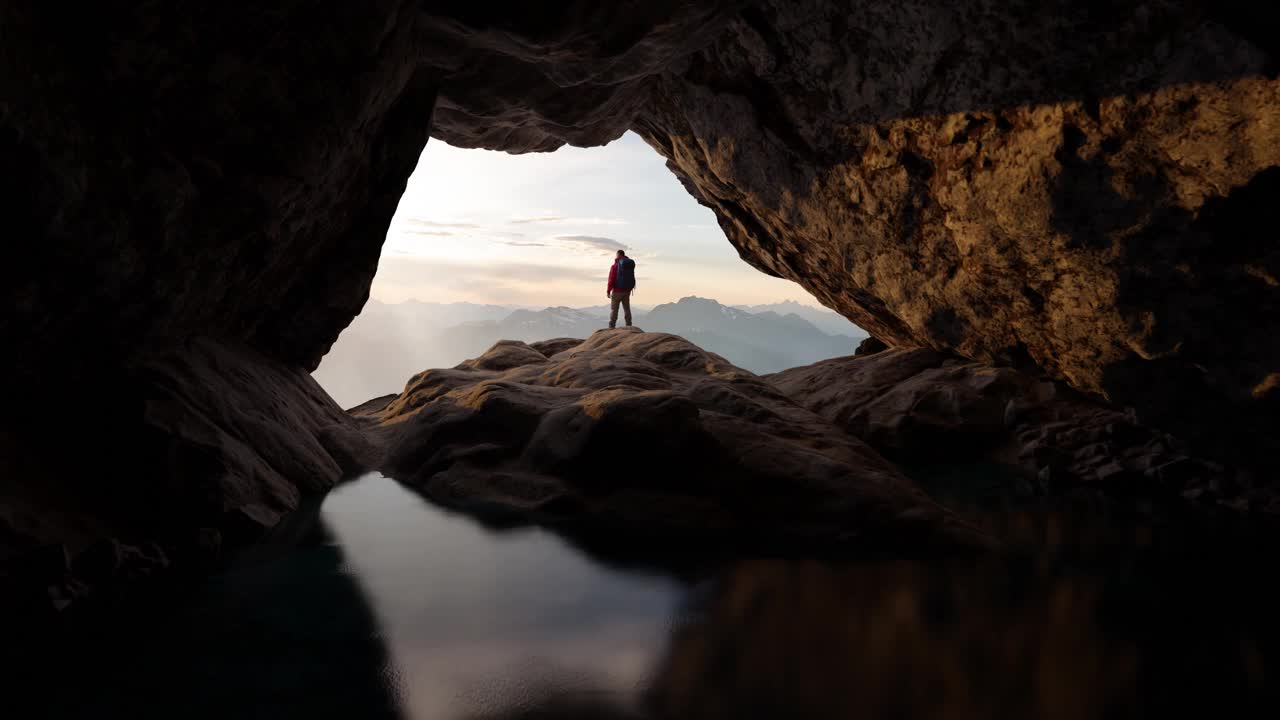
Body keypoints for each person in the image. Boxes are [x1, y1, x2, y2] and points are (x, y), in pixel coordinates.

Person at [607, 249, 636, 328]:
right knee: (627, 308)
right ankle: (629, 324)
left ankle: (612, 326)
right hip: (627, 291)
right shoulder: (628, 264)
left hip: (617, 291)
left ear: (618, 255)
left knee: (614, 309)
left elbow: (611, 279)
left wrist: (608, 290)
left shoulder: (615, 266)